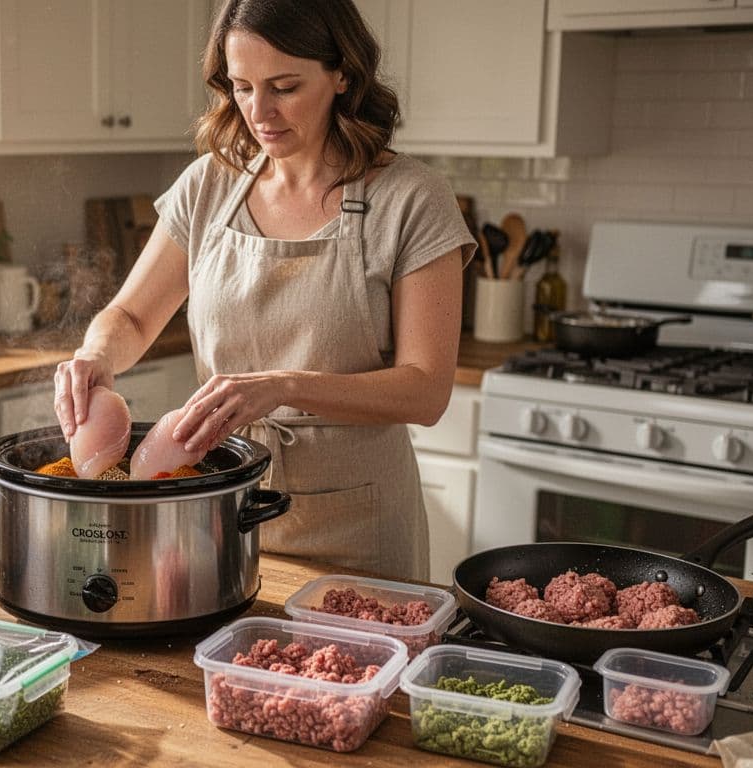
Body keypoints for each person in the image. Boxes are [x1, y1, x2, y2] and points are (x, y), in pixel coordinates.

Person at [53, 0, 475, 580]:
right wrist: (94, 357)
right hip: (220, 516)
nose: (260, 112)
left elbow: (425, 392)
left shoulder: (412, 200)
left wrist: (280, 387)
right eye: (242, 86)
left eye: (284, 86)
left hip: (360, 533)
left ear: (342, 74)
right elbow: (129, 316)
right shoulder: (208, 185)